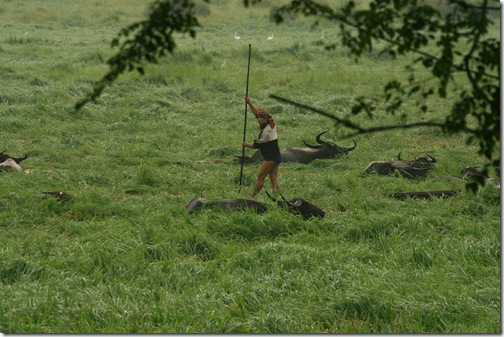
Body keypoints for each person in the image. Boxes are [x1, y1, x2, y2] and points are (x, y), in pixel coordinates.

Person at [241, 96, 281, 198]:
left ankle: (252, 196)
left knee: (260, 176)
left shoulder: (266, 132)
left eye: (261, 118)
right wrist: (249, 102)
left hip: (270, 158)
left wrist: (246, 145)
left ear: (266, 119)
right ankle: (276, 196)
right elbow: (256, 113)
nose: (259, 120)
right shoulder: (271, 122)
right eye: (258, 118)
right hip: (277, 156)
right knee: (273, 177)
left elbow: (255, 146)